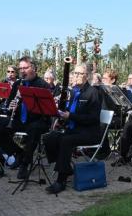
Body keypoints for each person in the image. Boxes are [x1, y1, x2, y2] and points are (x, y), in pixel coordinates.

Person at [43, 64, 102, 194]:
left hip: (89, 132)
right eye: (75, 73)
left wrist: (71, 116)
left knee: (66, 141)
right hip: (74, 129)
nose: (76, 76)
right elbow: (70, 111)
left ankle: (61, 180)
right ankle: (65, 166)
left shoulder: (93, 93)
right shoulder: (74, 92)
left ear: (87, 76)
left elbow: (92, 118)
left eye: (79, 74)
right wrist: (60, 114)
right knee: (50, 137)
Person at [0, 56, 51, 179]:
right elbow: (9, 105)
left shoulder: (43, 85)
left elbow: (46, 110)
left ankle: (25, 164)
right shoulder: (18, 84)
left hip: (38, 120)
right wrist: (12, 106)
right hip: (20, 119)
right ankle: (19, 153)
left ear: (34, 68)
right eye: (20, 69)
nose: (22, 71)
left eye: (25, 68)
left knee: (34, 129)